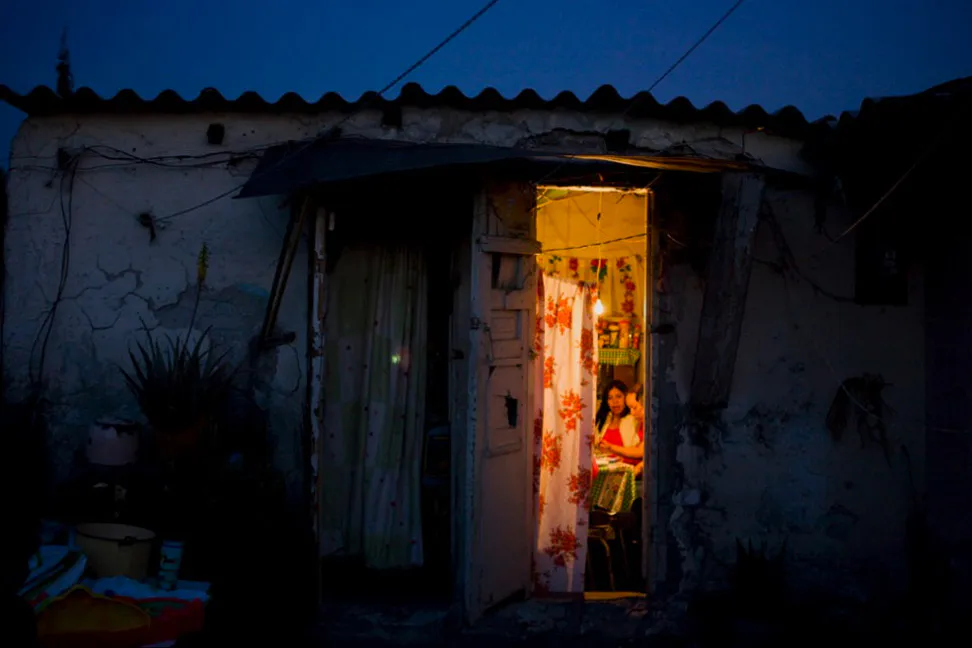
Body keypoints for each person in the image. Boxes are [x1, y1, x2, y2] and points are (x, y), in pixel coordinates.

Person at [594, 380, 643, 467]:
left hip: (628, 469)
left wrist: (612, 449)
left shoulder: (635, 420)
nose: (614, 401)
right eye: (610, 398)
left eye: (618, 396)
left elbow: (640, 452)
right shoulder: (603, 421)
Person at [625, 383, 647, 478]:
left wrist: (611, 447)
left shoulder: (655, 425)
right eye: (629, 408)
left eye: (634, 407)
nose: (632, 413)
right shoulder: (641, 423)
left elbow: (642, 452)